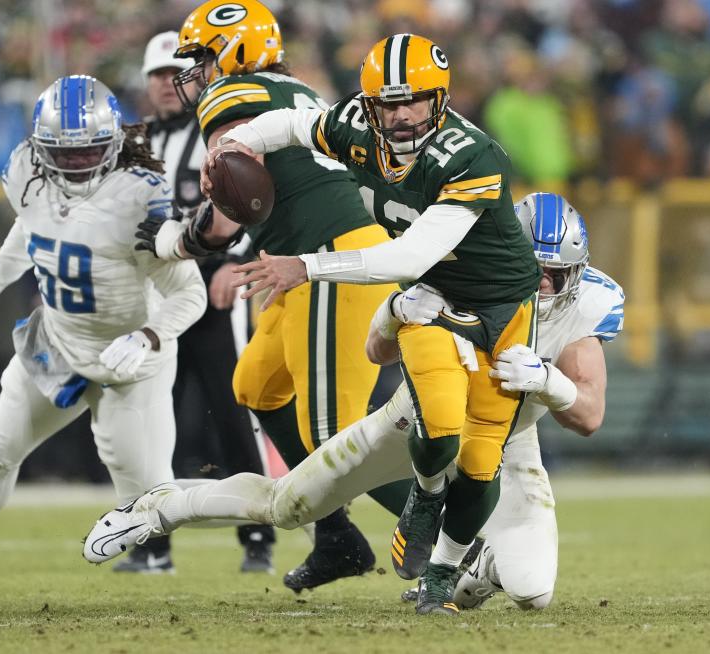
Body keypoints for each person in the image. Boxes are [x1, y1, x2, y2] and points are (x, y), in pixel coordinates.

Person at [84, 192, 622, 615]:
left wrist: (548, 381)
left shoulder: (588, 305)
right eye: (537, 270)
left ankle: (465, 578)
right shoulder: (464, 269)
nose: (546, 285)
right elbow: (377, 350)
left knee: (533, 593)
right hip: (415, 419)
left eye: (559, 274)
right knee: (287, 506)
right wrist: (394, 310)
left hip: (509, 435)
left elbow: (590, 415)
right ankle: (160, 509)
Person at [205, 33, 541, 614]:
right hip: (427, 296)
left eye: (415, 100)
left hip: (495, 305)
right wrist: (236, 143)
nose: (403, 114)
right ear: (369, 104)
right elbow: (289, 123)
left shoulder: (471, 155)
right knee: (270, 390)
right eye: (389, 103)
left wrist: (305, 267)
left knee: (463, 453)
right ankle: (377, 519)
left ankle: (460, 551)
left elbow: (410, 255)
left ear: (439, 98)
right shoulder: (353, 125)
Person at [139, 0, 407, 592]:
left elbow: (234, 205)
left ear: (233, 53)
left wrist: (174, 242)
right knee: (255, 385)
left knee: (336, 438)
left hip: (327, 259)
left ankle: (456, 539)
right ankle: (336, 537)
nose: (197, 73)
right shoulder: (297, 89)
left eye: (204, 57)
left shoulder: (232, 96)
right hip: (305, 258)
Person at [0, 75, 206, 598]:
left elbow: (190, 295)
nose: (76, 164)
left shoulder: (139, 197)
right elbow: (30, 225)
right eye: (64, 154)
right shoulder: (24, 169)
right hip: (57, 339)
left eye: (90, 152)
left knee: (152, 501)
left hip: (129, 356)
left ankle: (272, 506)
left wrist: (146, 337)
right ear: (39, 148)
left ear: (115, 143)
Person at [113, 30, 274, 575]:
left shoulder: (224, 128)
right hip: (157, 294)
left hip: (212, 282)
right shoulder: (132, 140)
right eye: (156, 75)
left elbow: (254, 202)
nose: (164, 85)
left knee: (233, 413)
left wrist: (236, 260)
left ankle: (259, 537)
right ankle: (152, 544)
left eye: (170, 74)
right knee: (148, 422)